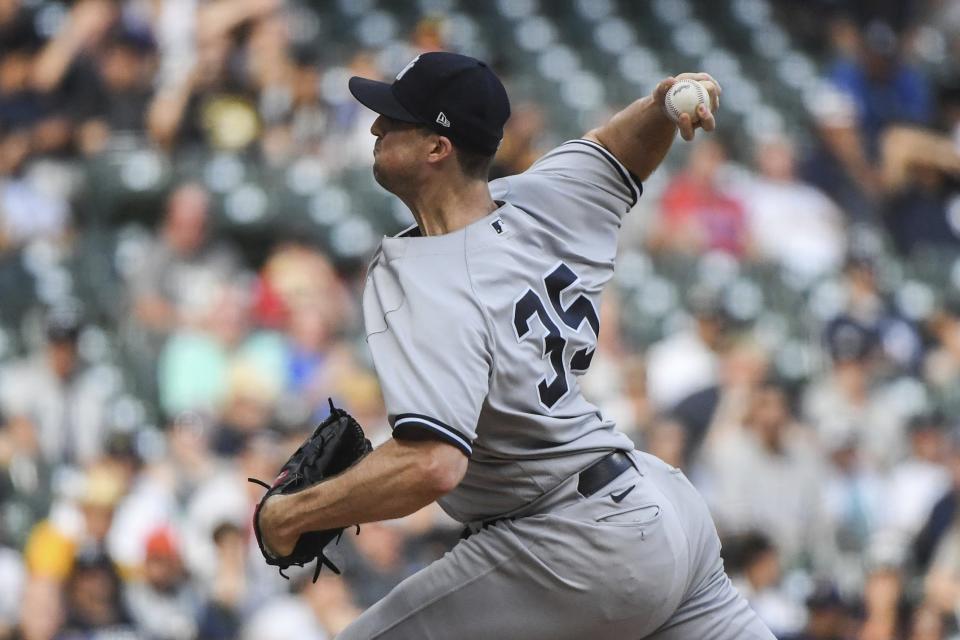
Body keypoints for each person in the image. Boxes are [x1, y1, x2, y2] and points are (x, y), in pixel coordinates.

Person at [257, 52, 774, 638]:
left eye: (394, 119)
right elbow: (616, 149)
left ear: (437, 148)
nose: (375, 127)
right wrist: (662, 105)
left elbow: (432, 463)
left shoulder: (424, 280)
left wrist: (290, 515)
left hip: (571, 543)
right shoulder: (545, 198)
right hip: (661, 509)